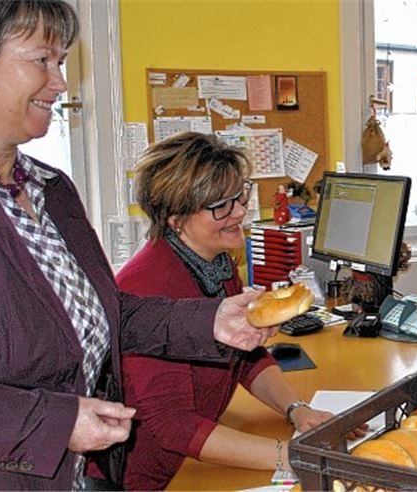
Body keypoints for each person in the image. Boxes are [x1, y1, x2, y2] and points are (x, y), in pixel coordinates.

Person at [0, 2, 271, 489]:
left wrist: (210, 320)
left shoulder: (50, 188)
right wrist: (56, 422)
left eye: (60, 62)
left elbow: (104, 310)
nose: (60, 83)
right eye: (42, 60)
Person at [104, 132, 344, 490]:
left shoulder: (215, 264)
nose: (241, 212)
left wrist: (297, 409)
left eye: (240, 196)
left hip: (193, 458)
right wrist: (291, 456)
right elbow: (173, 425)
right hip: (157, 478)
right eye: (221, 205)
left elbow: (245, 357)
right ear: (176, 218)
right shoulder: (148, 287)